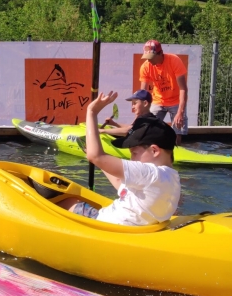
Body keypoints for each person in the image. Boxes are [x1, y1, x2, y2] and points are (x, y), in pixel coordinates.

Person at [58, 91, 180, 226]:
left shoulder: (150, 173)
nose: (132, 159)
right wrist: (102, 163)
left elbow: (95, 156)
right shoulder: (170, 178)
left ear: (154, 150)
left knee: (67, 201)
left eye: (134, 153)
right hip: (127, 226)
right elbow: (118, 181)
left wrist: (91, 112)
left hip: (103, 224)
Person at [138, 39, 188, 144]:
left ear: (160, 53)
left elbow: (183, 89)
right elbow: (143, 93)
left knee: (177, 131)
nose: (149, 60)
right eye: (147, 57)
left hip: (175, 101)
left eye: (151, 57)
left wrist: (180, 112)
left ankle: (177, 151)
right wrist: (140, 112)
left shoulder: (174, 61)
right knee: (148, 127)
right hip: (158, 100)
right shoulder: (145, 67)